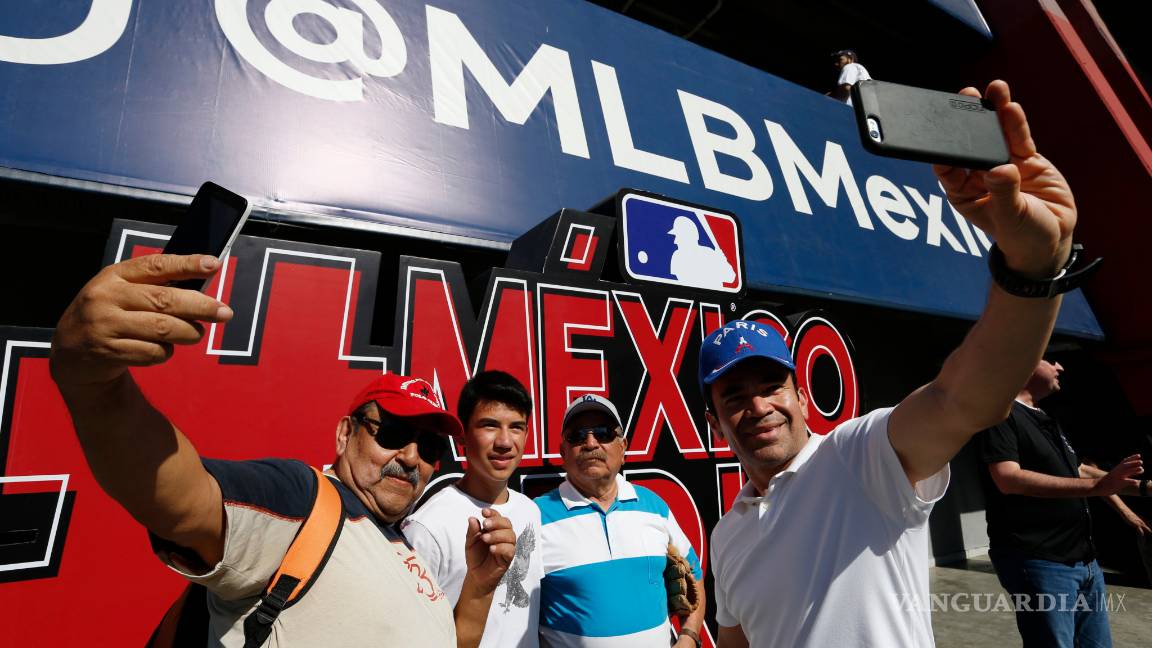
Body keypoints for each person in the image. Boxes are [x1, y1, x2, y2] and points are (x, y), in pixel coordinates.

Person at [702, 80, 1102, 647]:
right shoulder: (727, 535)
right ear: (714, 421)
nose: (760, 406)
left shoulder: (858, 457)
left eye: (772, 386)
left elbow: (961, 399)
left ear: (802, 397)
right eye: (735, 397)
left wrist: (1034, 269)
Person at [48, 255, 517, 647]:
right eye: (392, 433)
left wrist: (479, 587)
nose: (412, 458)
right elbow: (181, 500)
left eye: (430, 446)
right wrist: (93, 384)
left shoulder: (406, 546)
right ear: (345, 434)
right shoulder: (303, 497)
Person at [978, 359, 1146, 647]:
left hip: (1084, 561)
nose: (1060, 367)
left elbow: (1077, 469)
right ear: (1026, 362)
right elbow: (1008, 478)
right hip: (1040, 560)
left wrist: (1142, 489)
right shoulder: (1000, 415)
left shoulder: (1045, 417)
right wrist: (1098, 486)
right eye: (1051, 360)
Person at [535, 394, 706, 647]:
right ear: (563, 452)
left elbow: (694, 576)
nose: (590, 443)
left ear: (623, 447)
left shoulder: (655, 507)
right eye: (577, 436)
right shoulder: (535, 517)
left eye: (603, 433)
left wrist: (689, 637)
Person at [403, 370, 544, 648]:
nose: (505, 442)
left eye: (516, 427)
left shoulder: (531, 511)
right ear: (462, 438)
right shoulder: (426, 527)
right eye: (490, 426)